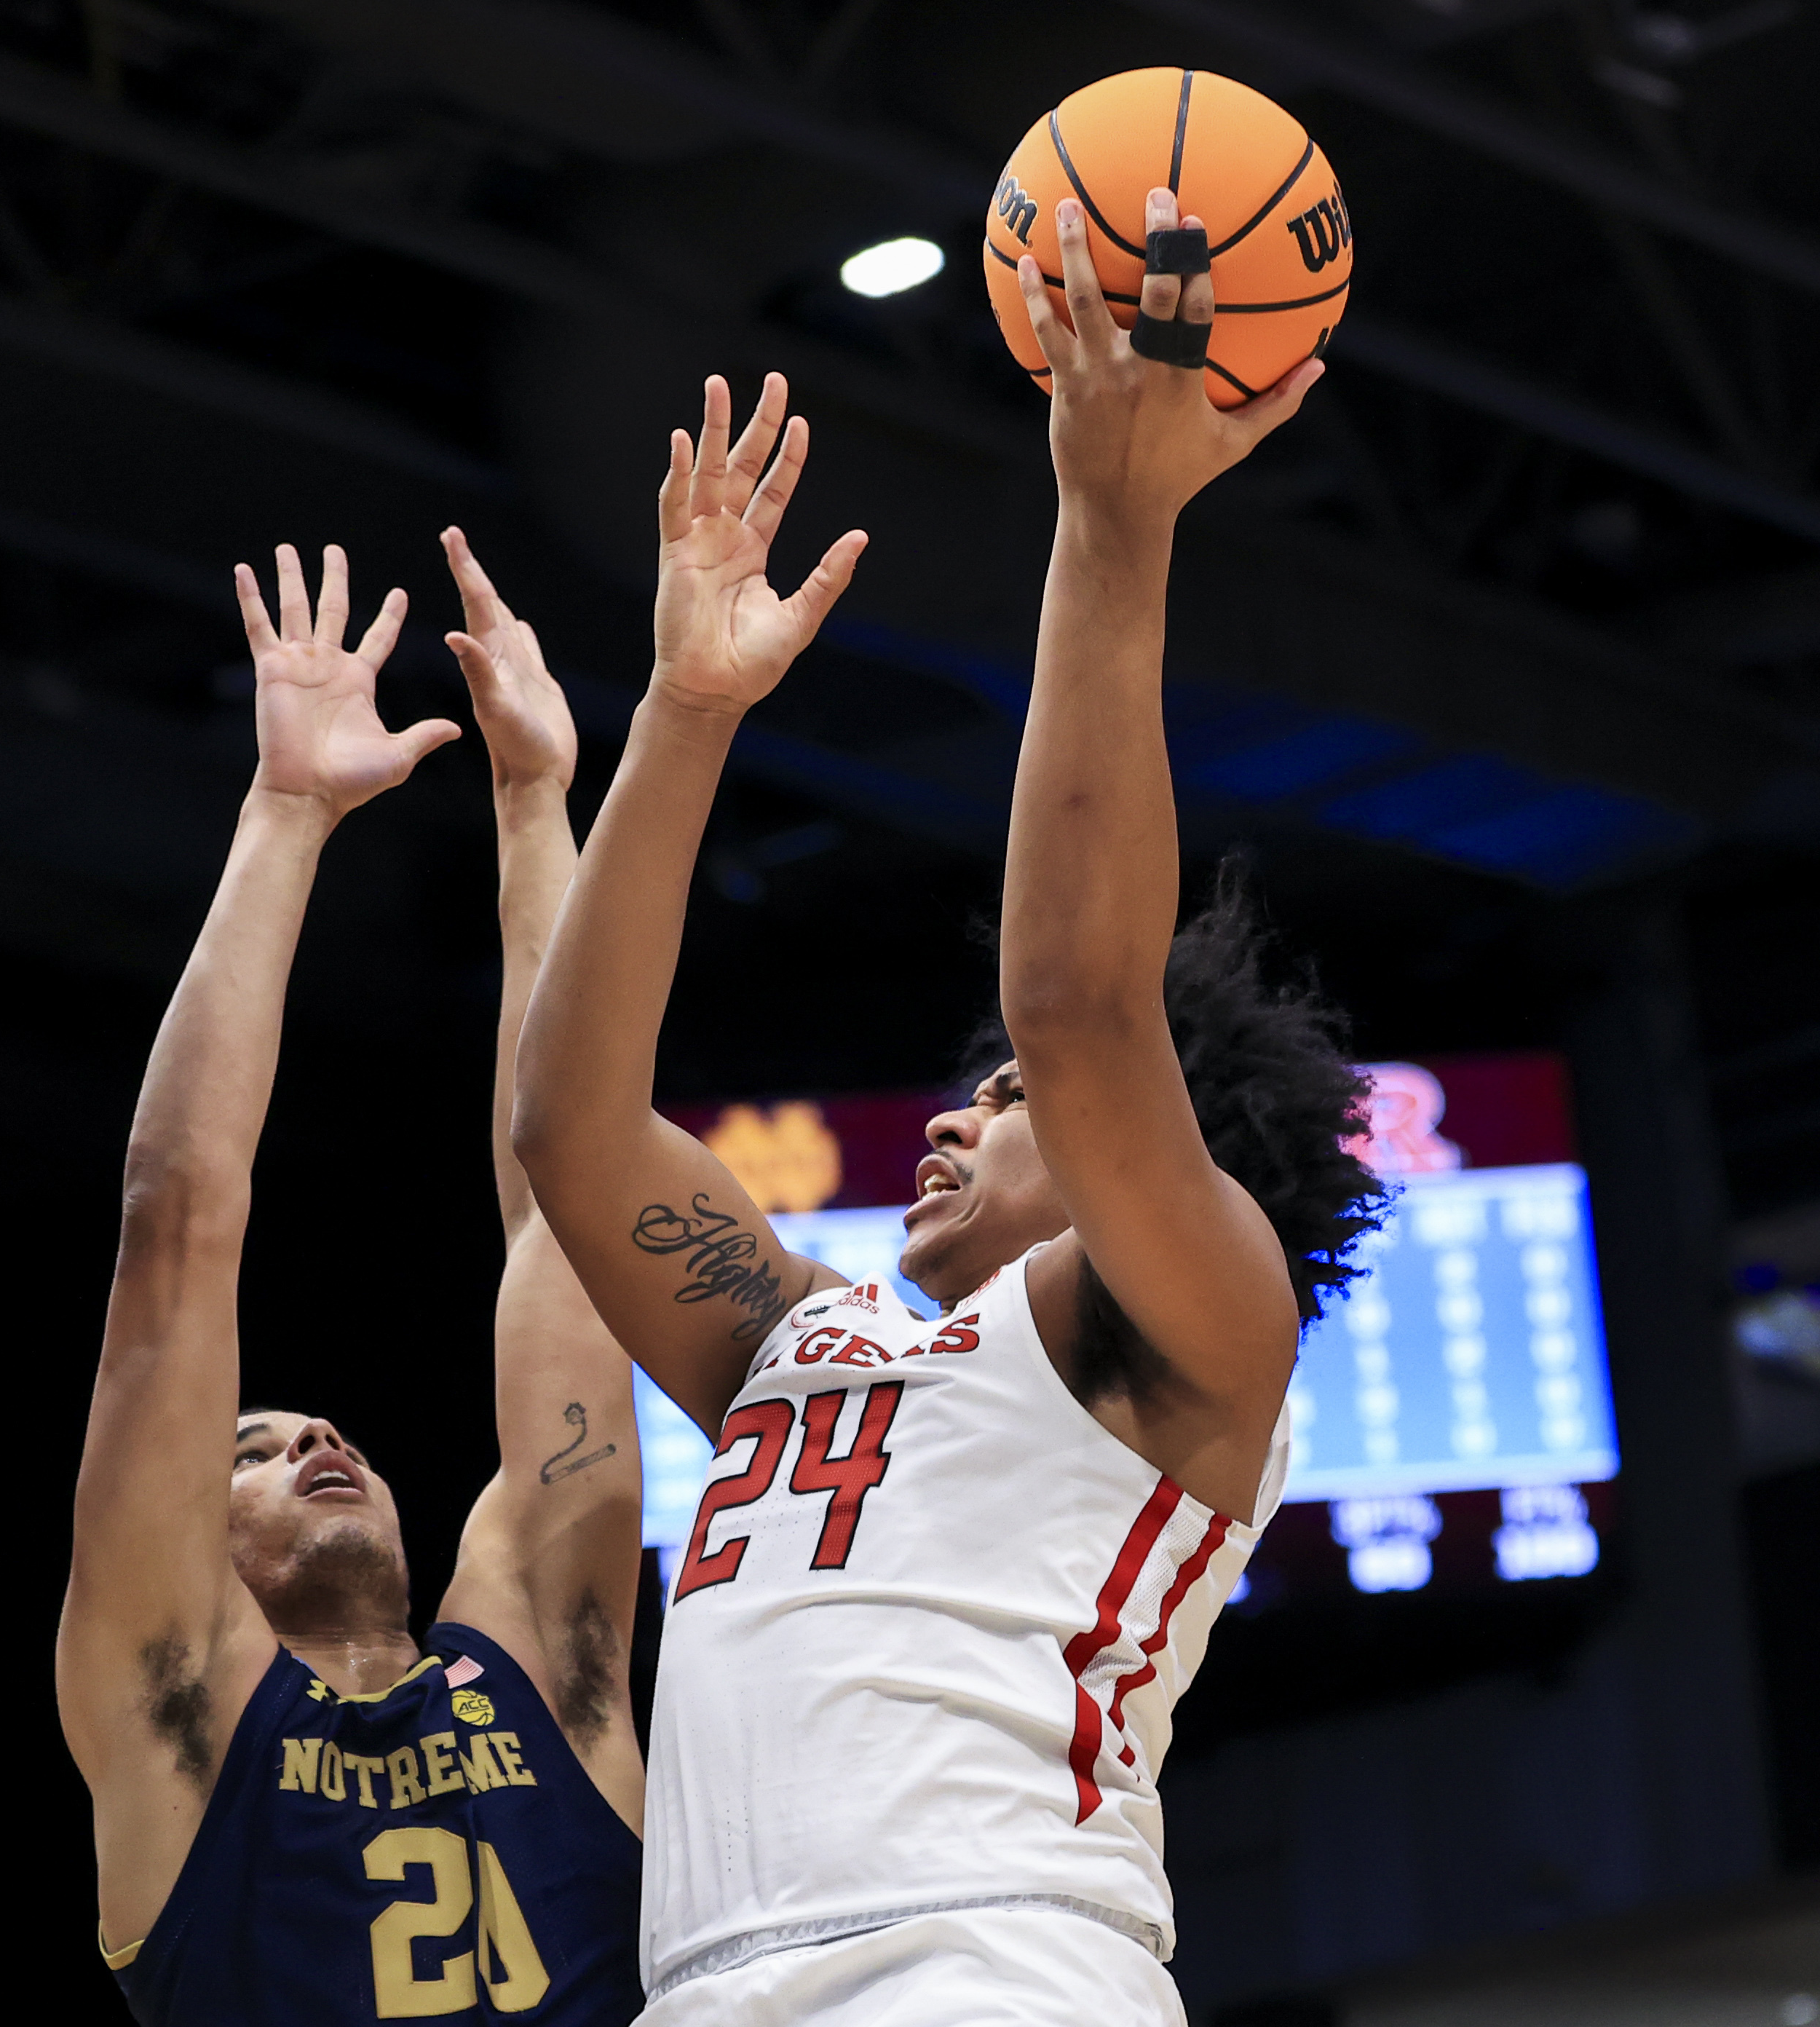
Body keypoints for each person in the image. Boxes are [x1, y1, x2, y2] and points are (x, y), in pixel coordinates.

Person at [509, 191, 1388, 2023]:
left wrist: (1111, 519)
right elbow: (570, 1130)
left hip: (987, 1966)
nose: (952, 1114)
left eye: (999, 1103)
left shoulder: (1198, 1328)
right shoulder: (801, 1351)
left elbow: (1074, 1004)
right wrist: (683, 714)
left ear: (1168, 1146)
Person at [58, 533, 649, 2023]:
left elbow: (570, 1216)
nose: (311, 1442)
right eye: (250, 1451)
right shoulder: (177, 1706)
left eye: (316, 1431)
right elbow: (175, 1229)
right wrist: (285, 812)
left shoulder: (551, 1671)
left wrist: (533, 806)